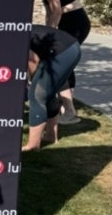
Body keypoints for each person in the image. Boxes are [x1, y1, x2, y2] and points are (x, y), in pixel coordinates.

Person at [35, 0, 91, 123]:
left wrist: (50, 36)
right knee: (63, 63)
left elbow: (57, 11)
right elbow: (50, 12)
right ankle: (66, 107)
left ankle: (69, 112)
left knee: (60, 62)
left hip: (75, 25)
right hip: (74, 25)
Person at [22, 23, 82, 151]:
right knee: (47, 93)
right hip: (69, 47)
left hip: (63, 51)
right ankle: (50, 136)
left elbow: (33, 60)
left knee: (37, 95)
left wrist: (31, 82)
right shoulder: (18, 30)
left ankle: (33, 145)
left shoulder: (15, 36)